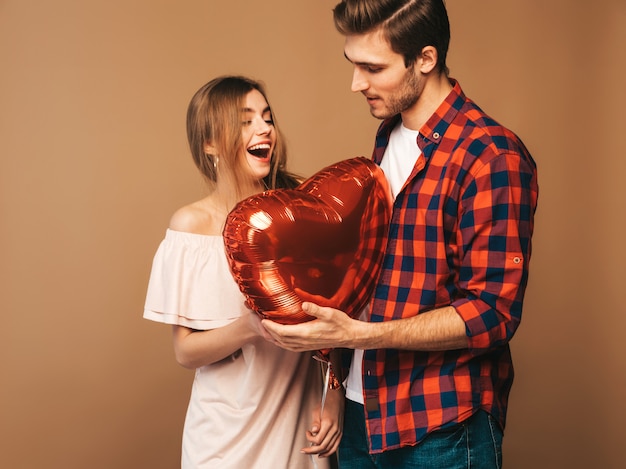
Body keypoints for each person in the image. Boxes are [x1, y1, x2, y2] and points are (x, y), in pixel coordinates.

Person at [262, 1, 539, 468]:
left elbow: (493, 313)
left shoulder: (491, 155)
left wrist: (361, 334)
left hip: (441, 426)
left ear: (425, 59)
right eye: (353, 65)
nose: (356, 84)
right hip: (360, 419)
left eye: (373, 67)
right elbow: (368, 285)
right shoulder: (387, 138)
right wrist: (337, 381)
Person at [143, 75, 343, 469]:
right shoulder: (190, 226)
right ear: (210, 143)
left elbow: (339, 310)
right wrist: (251, 326)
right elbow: (185, 351)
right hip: (221, 438)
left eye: (267, 117)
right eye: (245, 120)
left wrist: (334, 394)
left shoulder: (299, 206)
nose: (264, 128)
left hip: (300, 428)